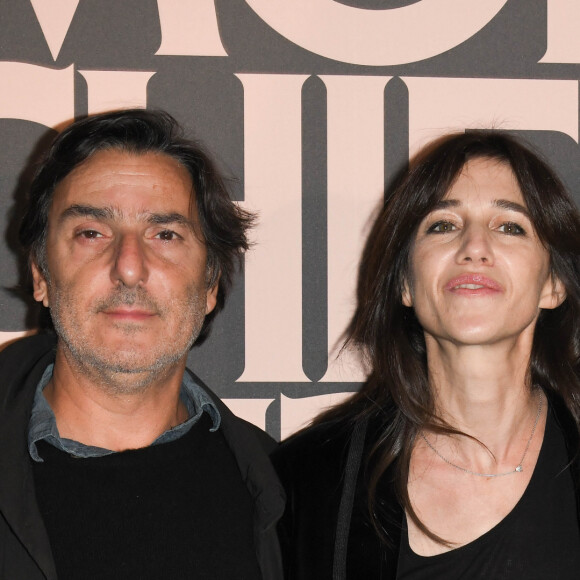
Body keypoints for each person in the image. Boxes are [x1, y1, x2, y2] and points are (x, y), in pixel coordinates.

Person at [273, 131, 580, 579]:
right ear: (405, 284)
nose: (474, 247)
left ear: (553, 285)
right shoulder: (308, 482)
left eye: (510, 226)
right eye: (443, 225)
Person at [0, 109, 285, 579]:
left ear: (211, 283)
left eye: (165, 234)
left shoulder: (286, 493)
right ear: (39, 274)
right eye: (92, 233)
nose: (129, 267)